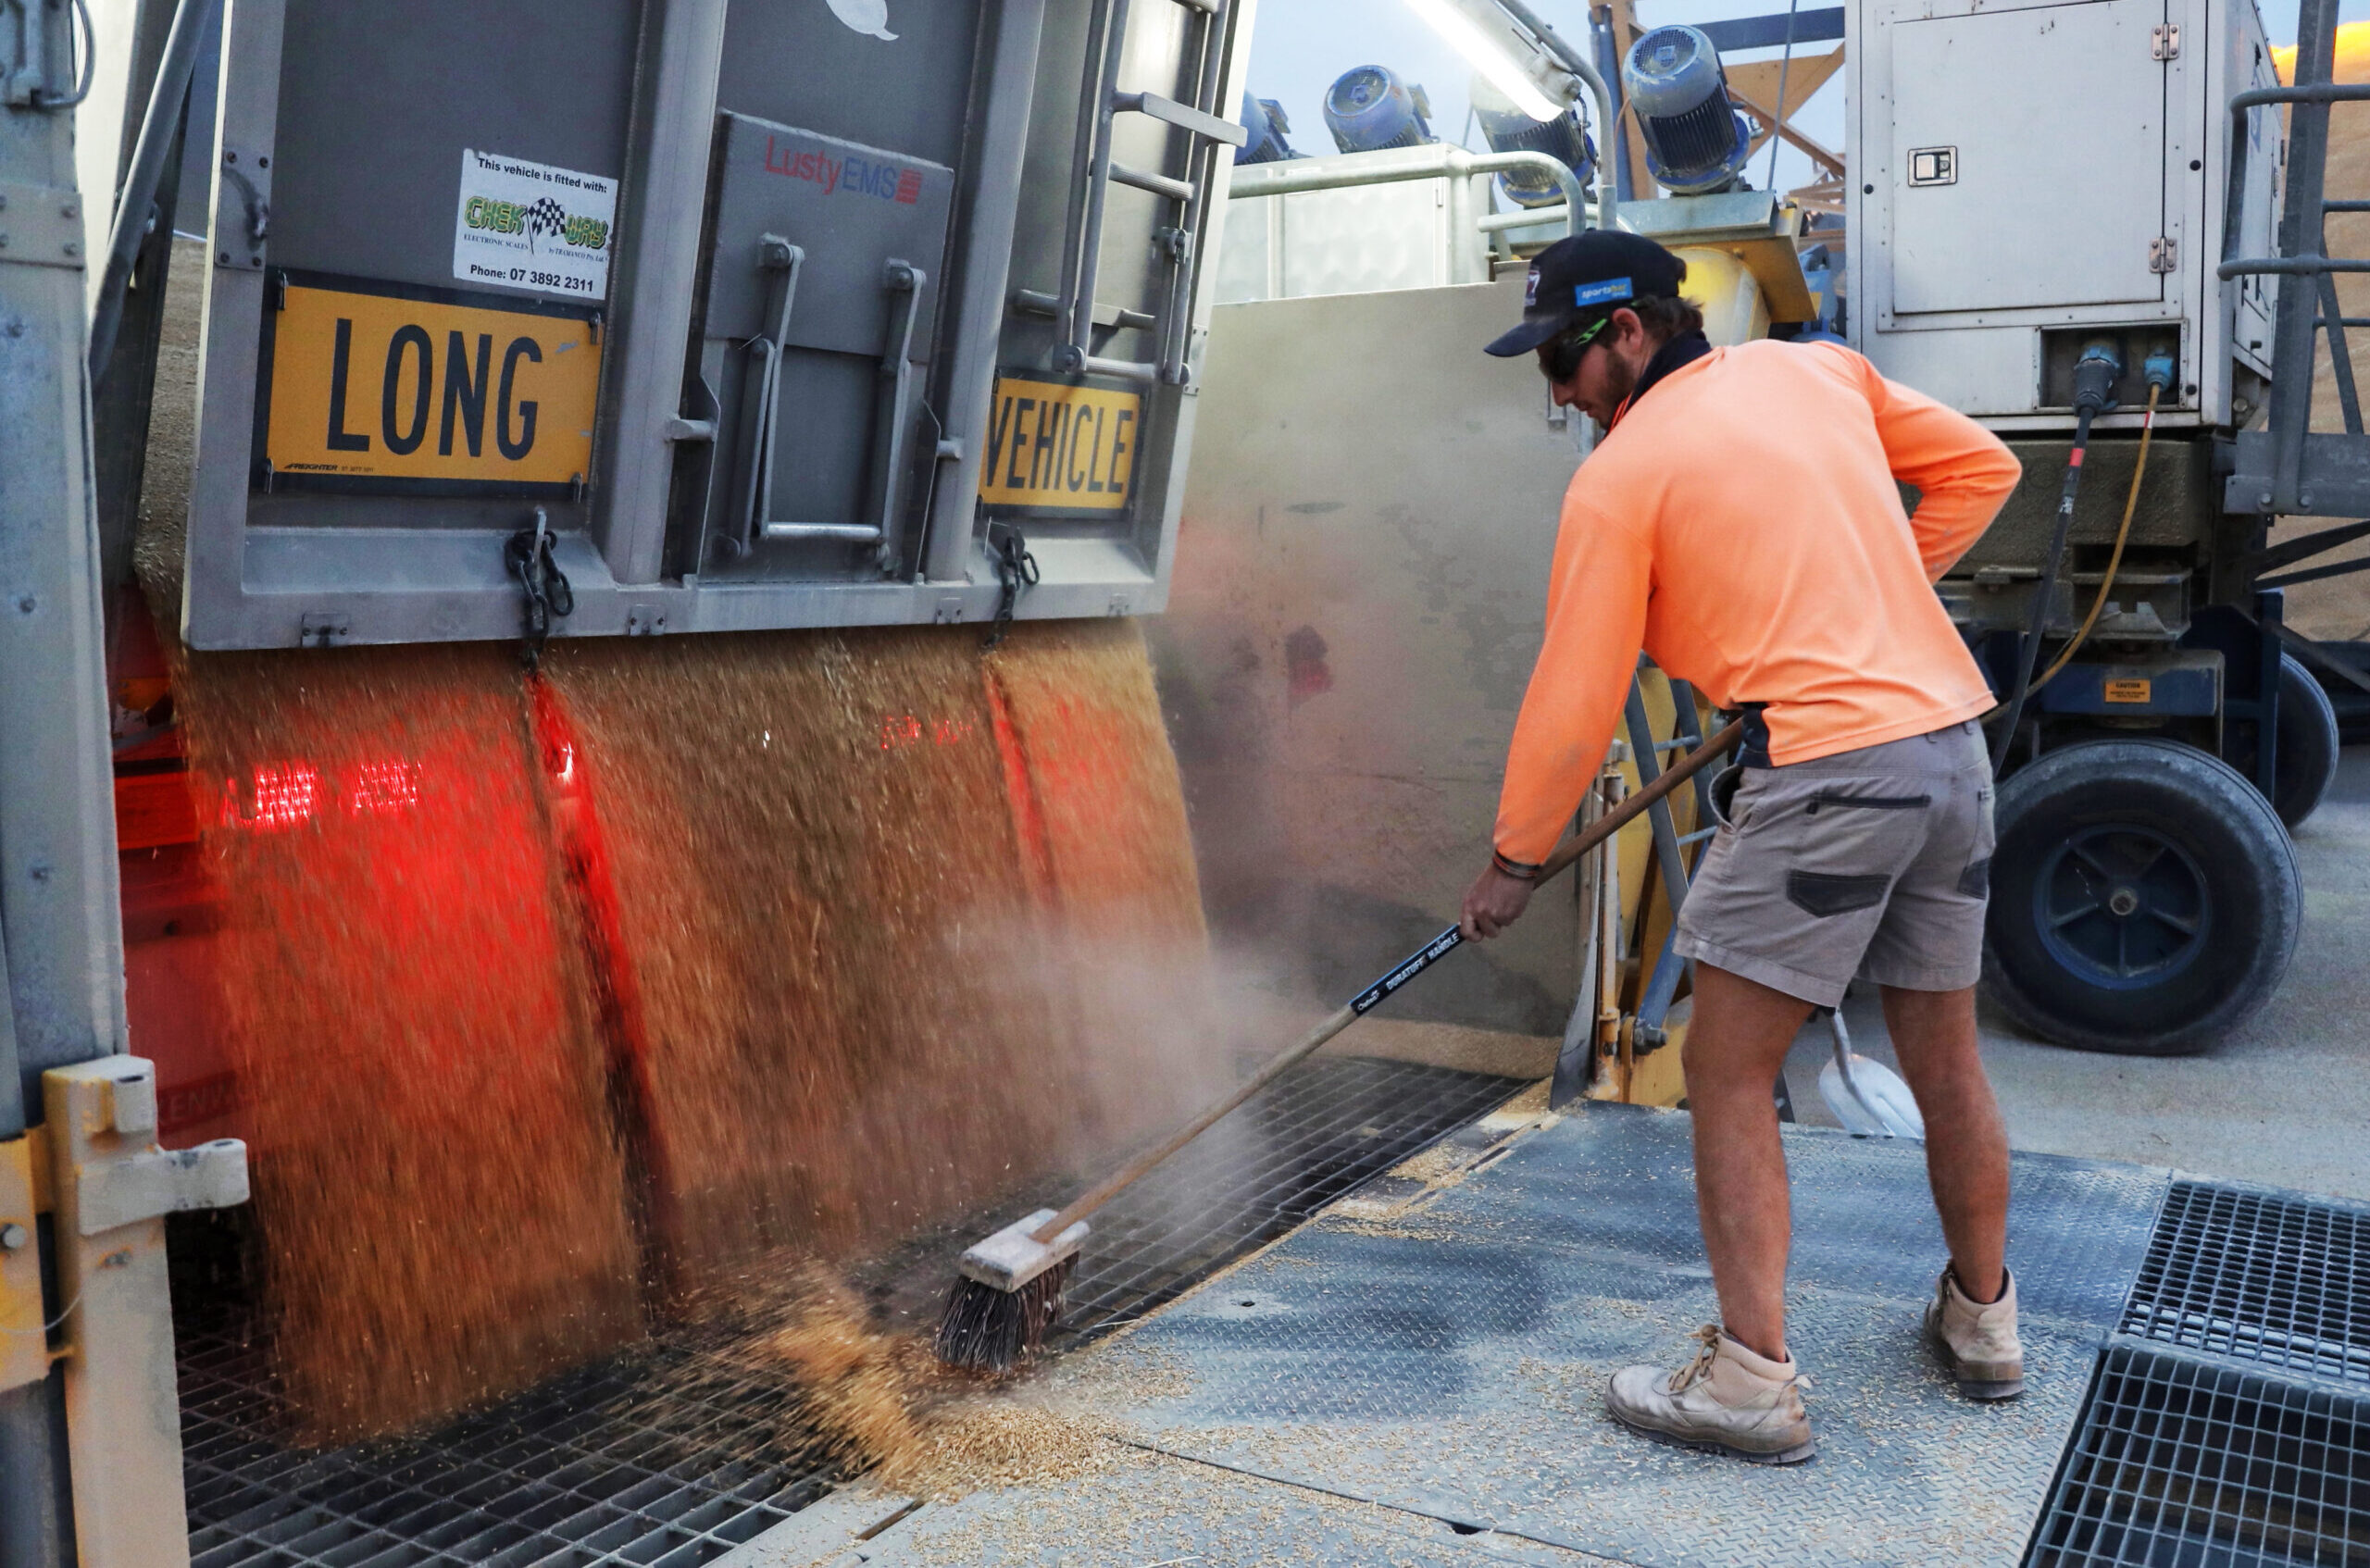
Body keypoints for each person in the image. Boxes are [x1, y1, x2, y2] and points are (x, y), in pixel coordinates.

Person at [1460, 230, 2027, 1465]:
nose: (1555, 390)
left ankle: (1749, 1379)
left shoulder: (1621, 477)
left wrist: (1513, 858)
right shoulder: (1815, 372)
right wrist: (1873, 604)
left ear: (1627, 333)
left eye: (1560, 358)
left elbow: (1575, 690)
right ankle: (1986, 1322)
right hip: (1948, 747)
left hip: (1830, 771)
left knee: (1723, 1066)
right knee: (1944, 1052)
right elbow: (1985, 470)